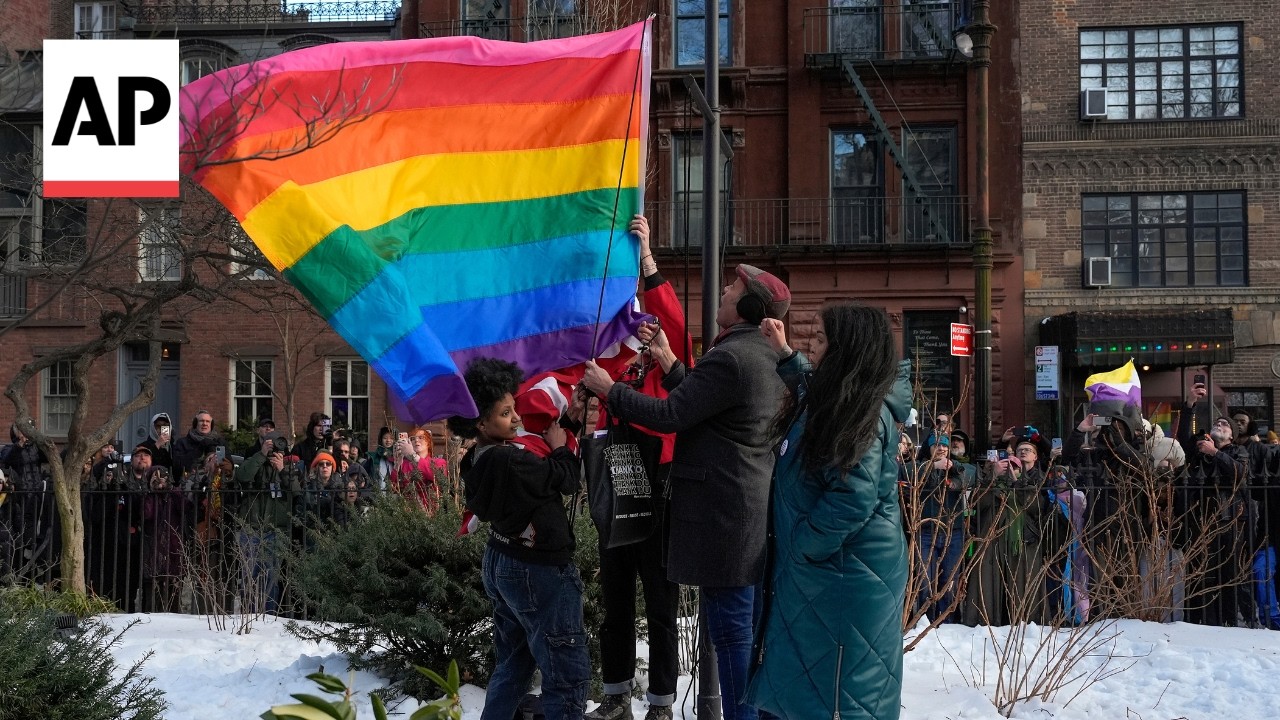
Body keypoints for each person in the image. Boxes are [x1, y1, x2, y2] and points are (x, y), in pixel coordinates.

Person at [583, 263, 792, 720]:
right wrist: (669, 363)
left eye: (732, 287)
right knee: (742, 633)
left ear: (750, 307)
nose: (722, 291)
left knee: (733, 635)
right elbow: (709, 408)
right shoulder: (757, 353)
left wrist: (609, 390)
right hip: (743, 516)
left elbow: (673, 415)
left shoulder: (733, 356)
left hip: (725, 519)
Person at [744, 305, 910, 720]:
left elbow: (853, 496)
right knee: (809, 685)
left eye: (820, 339)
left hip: (844, 575)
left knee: (838, 695)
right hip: (827, 572)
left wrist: (803, 545)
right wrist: (784, 355)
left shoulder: (863, 413)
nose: (811, 346)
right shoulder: (842, 395)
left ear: (845, 349)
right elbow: (810, 388)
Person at [582, 214, 689, 720]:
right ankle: (615, 692)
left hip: (660, 484)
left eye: (652, 326)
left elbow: (671, 315)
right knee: (616, 598)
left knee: (661, 603)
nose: (645, 327)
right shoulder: (613, 363)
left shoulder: (671, 364)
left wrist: (646, 255)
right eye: (639, 323)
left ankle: (662, 703)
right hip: (616, 479)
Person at [447, 358, 587, 720]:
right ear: (481, 422)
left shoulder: (481, 457)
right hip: (538, 570)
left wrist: (567, 424)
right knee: (565, 674)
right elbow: (565, 478)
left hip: (504, 561)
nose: (518, 419)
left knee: (513, 664)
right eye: (507, 413)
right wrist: (560, 447)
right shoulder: (511, 461)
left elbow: (540, 469)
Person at [390, 427, 440, 512]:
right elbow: (393, 487)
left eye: (421, 437)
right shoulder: (404, 464)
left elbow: (436, 476)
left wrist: (413, 455)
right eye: (412, 439)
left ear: (428, 442)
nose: (416, 440)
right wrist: (397, 464)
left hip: (432, 513)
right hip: (409, 514)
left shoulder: (438, 462)